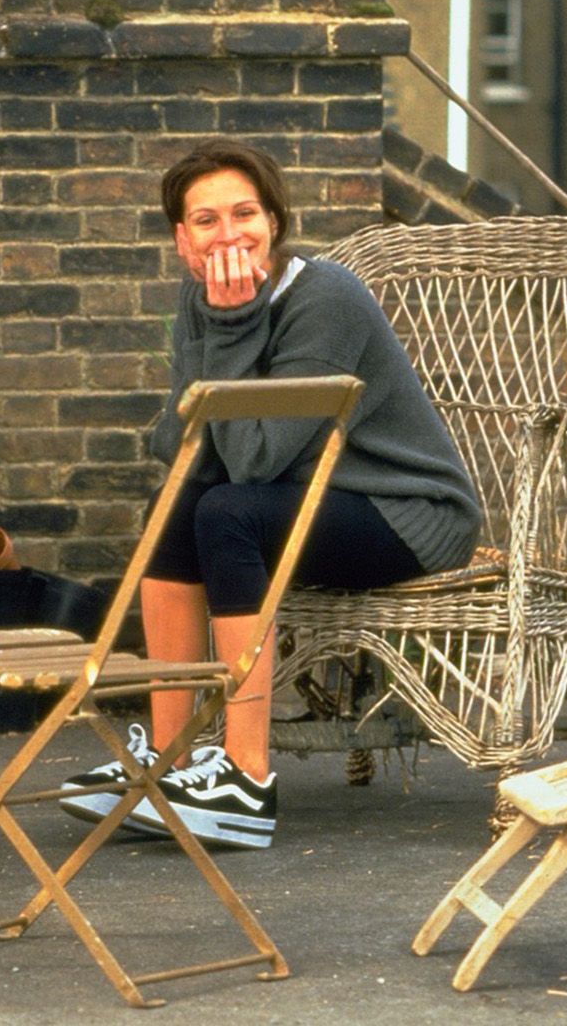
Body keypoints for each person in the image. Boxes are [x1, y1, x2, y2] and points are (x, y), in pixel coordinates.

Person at [59, 140, 481, 849]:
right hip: (308, 500)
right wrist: (216, 324)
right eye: (206, 221)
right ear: (180, 239)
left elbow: (251, 458)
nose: (229, 234)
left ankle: (245, 778)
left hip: (407, 513)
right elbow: (180, 447)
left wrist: (228, 328)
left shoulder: (326, 298)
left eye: (245, 213)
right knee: (180, 509)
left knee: (227, 512)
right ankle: (174, 760)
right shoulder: (204, 297)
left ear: (276, 221)